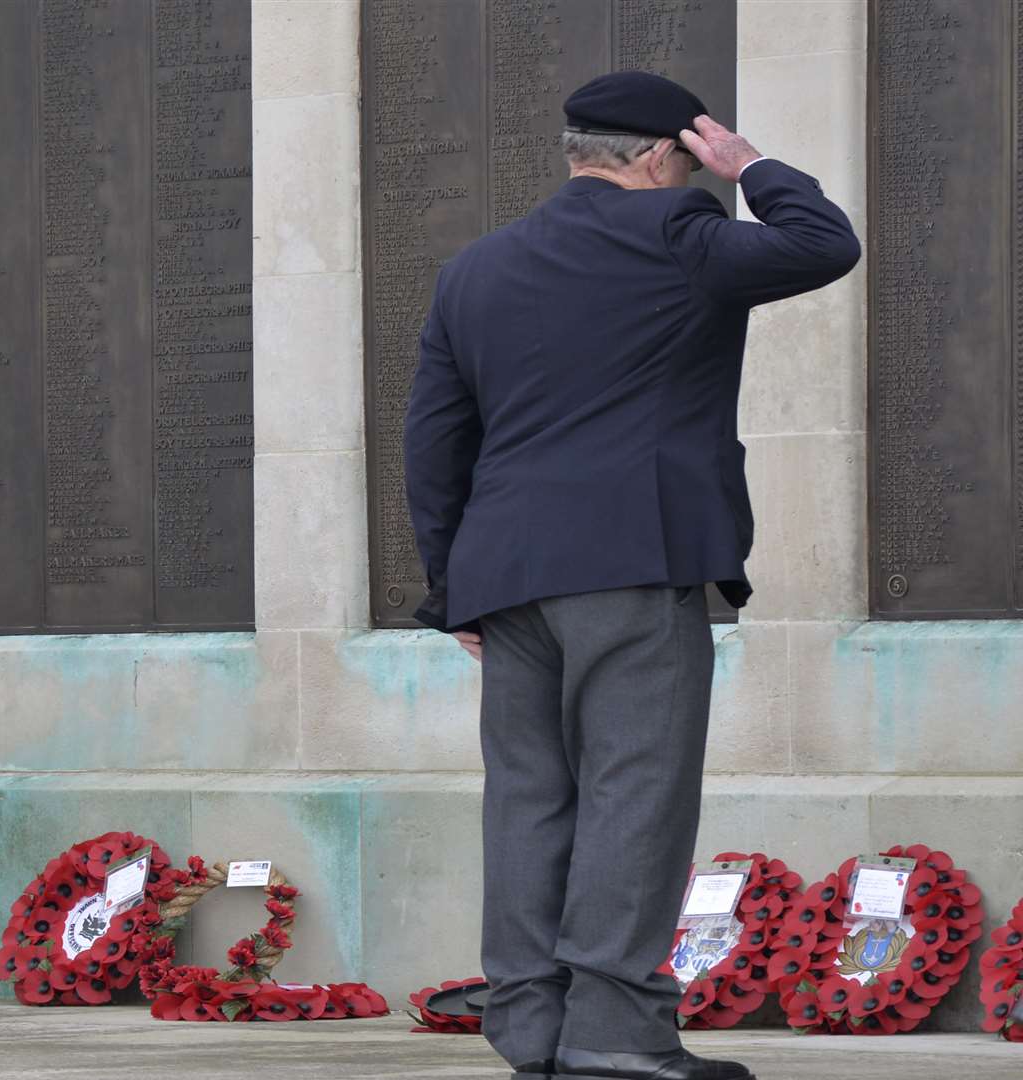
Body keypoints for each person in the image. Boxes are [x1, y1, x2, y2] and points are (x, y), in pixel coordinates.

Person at [403, 73, 859, 1080]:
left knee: (527, 799)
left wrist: (451, 590)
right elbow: (825, 242)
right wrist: (756, 169)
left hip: (505, 575)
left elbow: (435, 444)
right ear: (661, 157)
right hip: (630, 561)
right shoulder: (677, 235)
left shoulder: (474, 270)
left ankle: (531, 1031)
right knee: (633, 795)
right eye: (694, 165)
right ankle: (613, 1034)